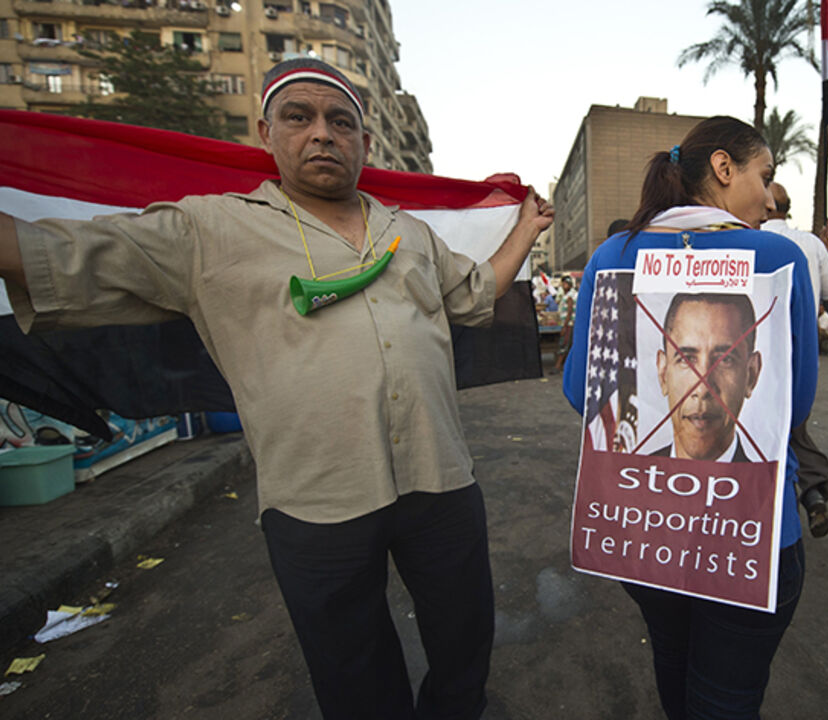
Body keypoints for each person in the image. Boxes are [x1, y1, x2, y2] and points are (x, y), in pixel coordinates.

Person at [0, 58, 554, 720]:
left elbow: (473, 296)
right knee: (353, 670)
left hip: (440, 480)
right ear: (267, 131)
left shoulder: (409, 233)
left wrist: (524, 230)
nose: (322, 133)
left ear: (364, 144)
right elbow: (55, 256)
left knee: (464, 638)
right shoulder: (209, 229)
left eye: (340, 121)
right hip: (317, 504)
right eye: (300, 117)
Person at [563, 115, 816, 719]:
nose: (768, 197)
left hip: (645, 532)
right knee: (726, 697)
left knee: (674, 667)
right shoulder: (779, 254)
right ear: (725, 169)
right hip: (749, 539)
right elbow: (795, 405)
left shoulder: (612, 254)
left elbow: (584, 391)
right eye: (766, 176)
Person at [762, 181, 828, 537]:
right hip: (802, 347)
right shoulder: (809, 243)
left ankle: (786, 508)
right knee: (795, 424)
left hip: (758, 351)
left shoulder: (746, 237)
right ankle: (811, 495)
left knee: (770, 428)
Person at [653, 293, 761, 462]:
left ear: (751, 375)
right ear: (663, 372)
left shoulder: (767, 486)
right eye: (686, 359)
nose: (703, 389)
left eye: (725, 360)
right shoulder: (626, 480)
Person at [553, 274, 577, 373]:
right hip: (569, 323)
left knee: (564, 344)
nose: (563, 285)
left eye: (565, 284)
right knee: (568, 345)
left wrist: (564, 326)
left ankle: (557, 366)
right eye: (563, 284)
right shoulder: (567, 294)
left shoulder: (570, 295)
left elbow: (570, 311)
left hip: (569, 324)